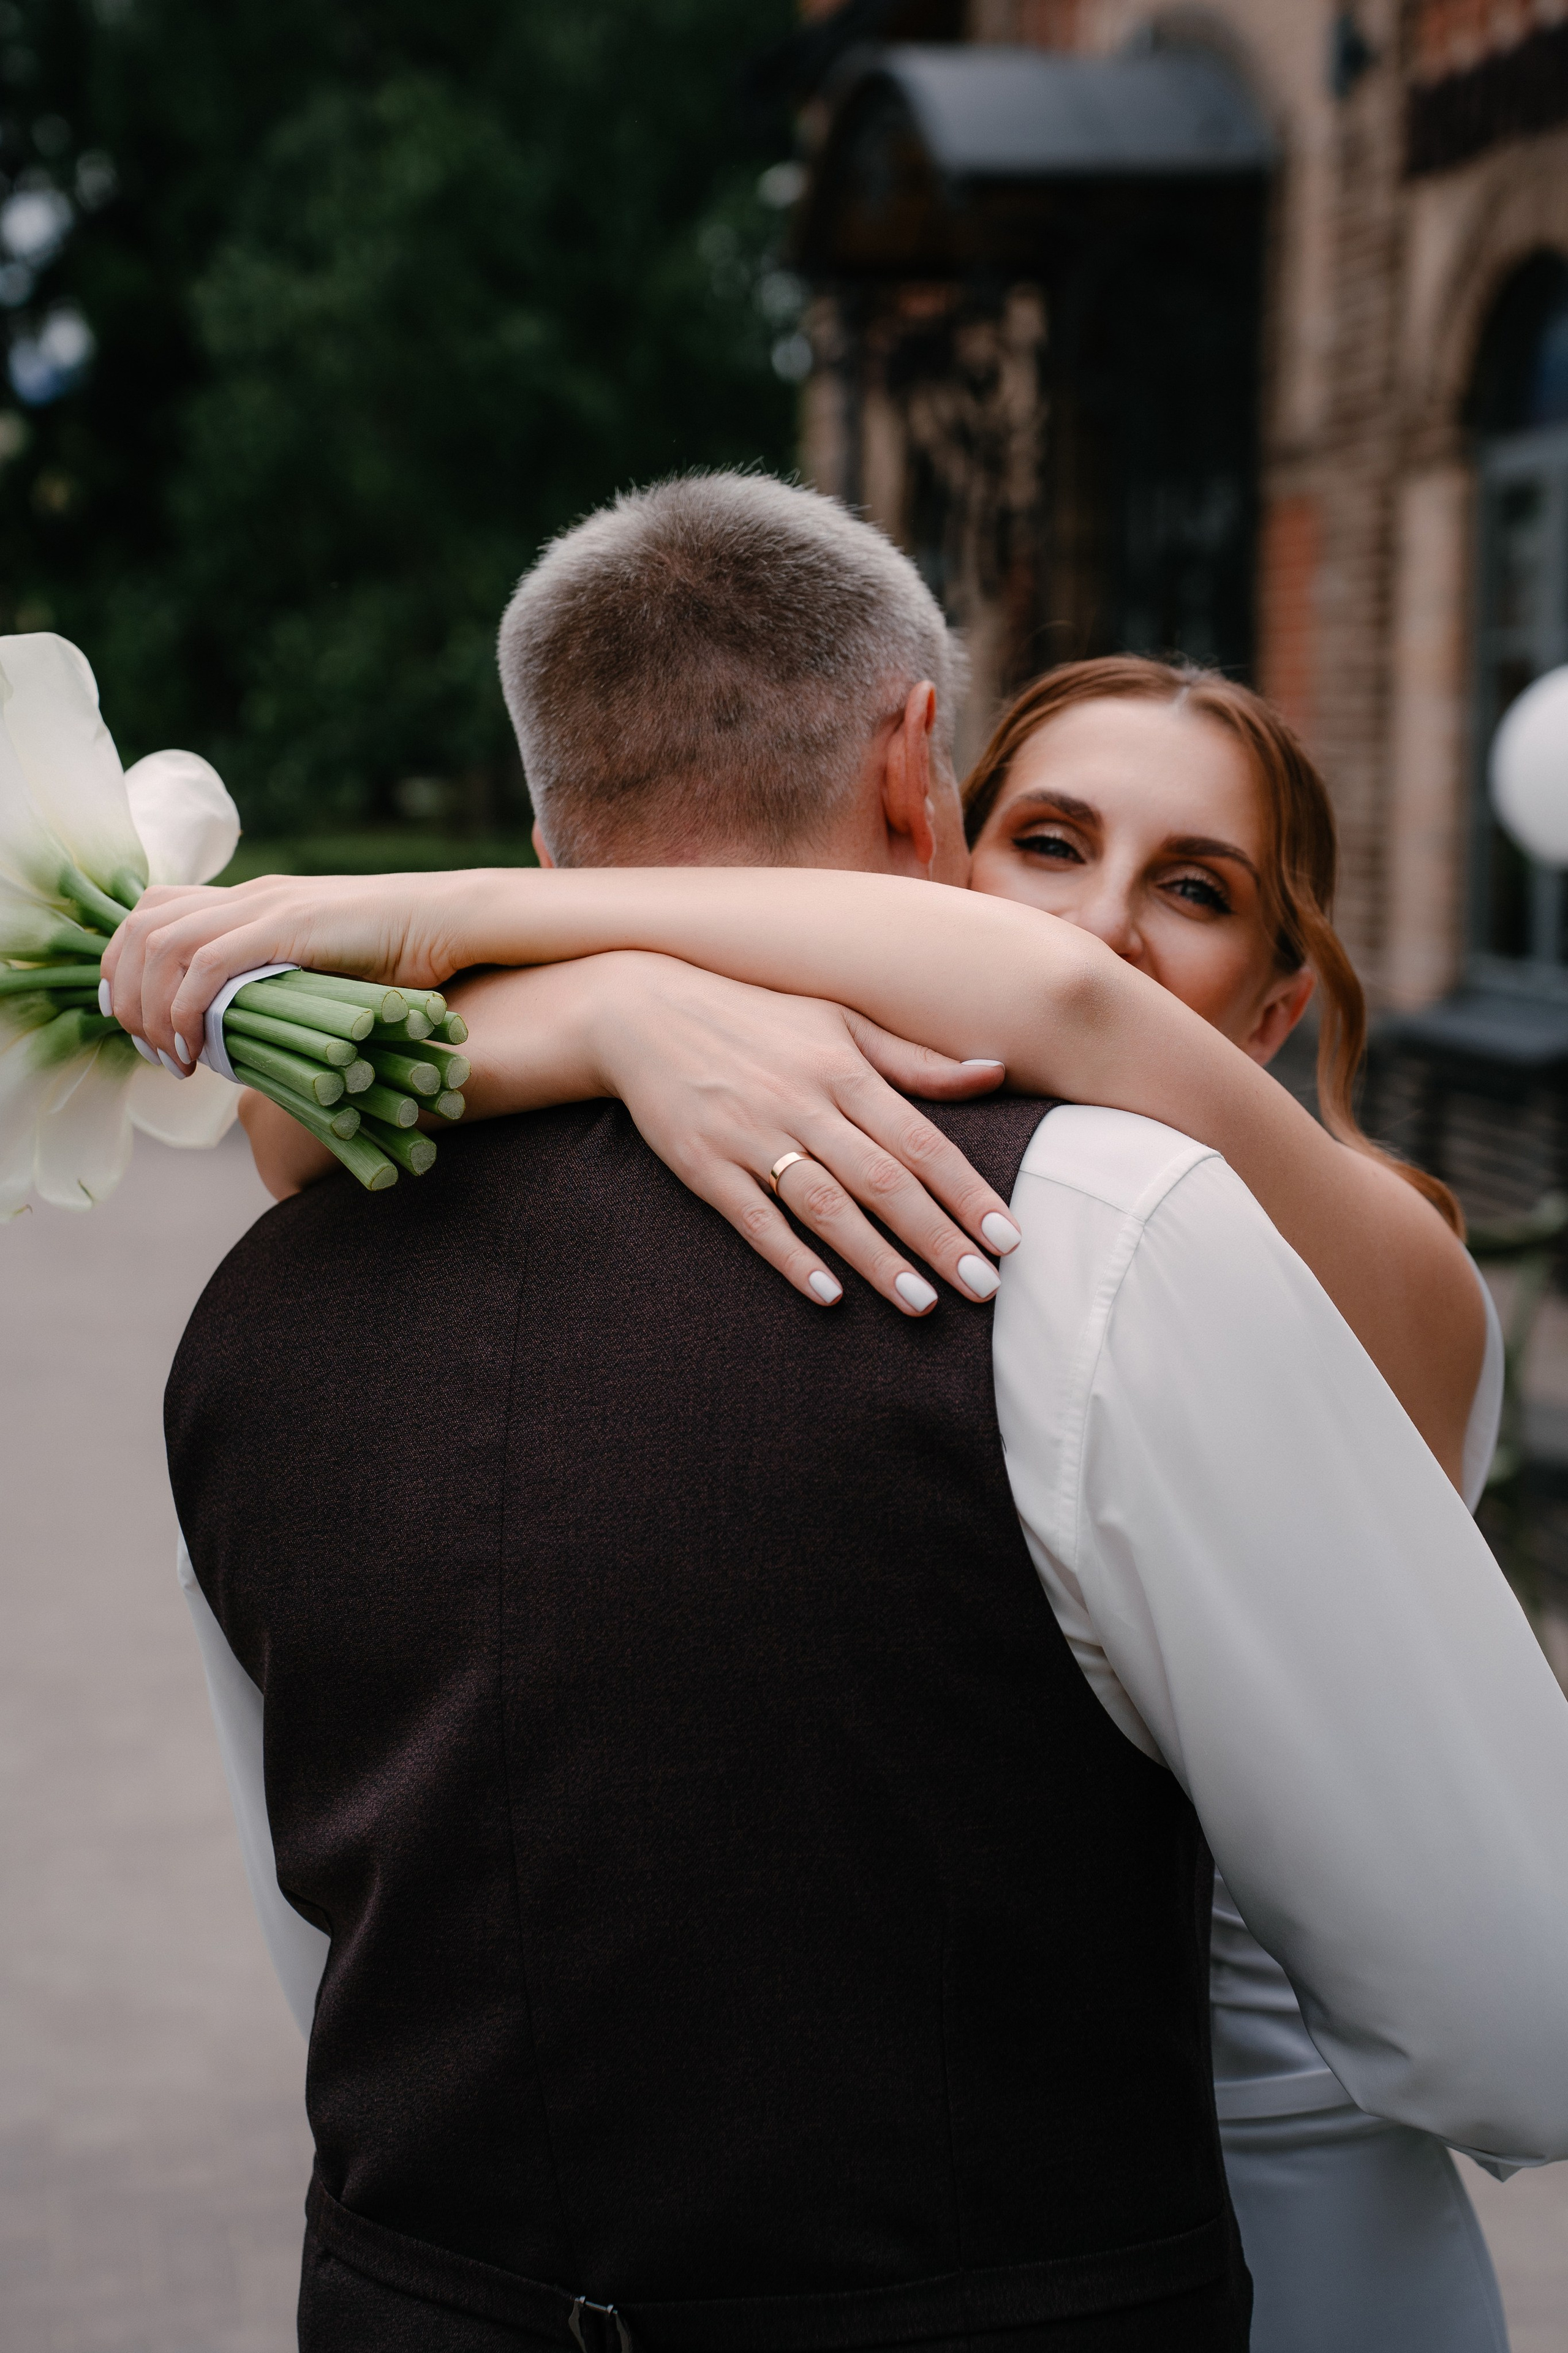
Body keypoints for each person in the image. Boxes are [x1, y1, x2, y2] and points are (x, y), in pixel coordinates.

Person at [114, 477, 1568, 2352]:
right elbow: (286, 1130)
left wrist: (489, 917)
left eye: (1196, 888)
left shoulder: (1349, 1247)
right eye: (1048, 841)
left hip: (1303, 2222)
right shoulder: (949, 1158)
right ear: (932, 818)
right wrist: (614, 1013)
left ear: (1282, 999)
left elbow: (1063, 1005)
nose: (1112, 927)